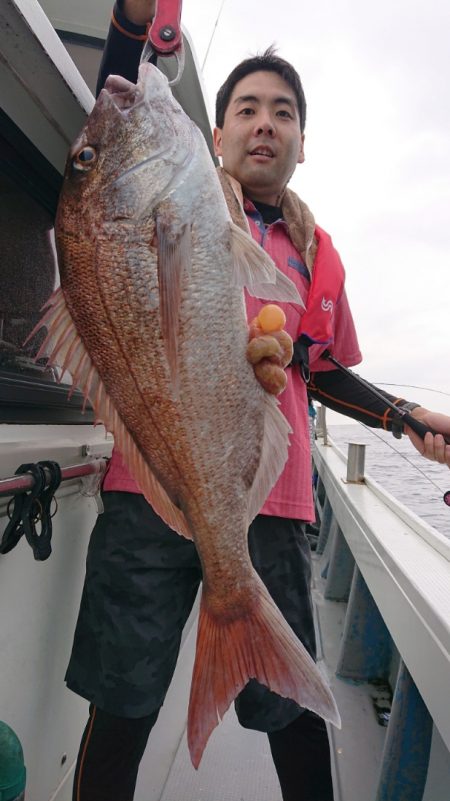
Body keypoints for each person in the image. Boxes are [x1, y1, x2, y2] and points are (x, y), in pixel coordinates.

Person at [67, 3, 450, 800]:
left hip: (273, 506)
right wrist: (132, 29)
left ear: (303, 143)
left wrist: (405, 418)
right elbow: (109, 129)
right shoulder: (178, 200)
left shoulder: (321, 258)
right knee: (123, 705)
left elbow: (326, 369)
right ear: (215, 136)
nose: (265, 123)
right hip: (149, 488)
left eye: (284, 112)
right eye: (246, 108)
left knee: (292, 717)